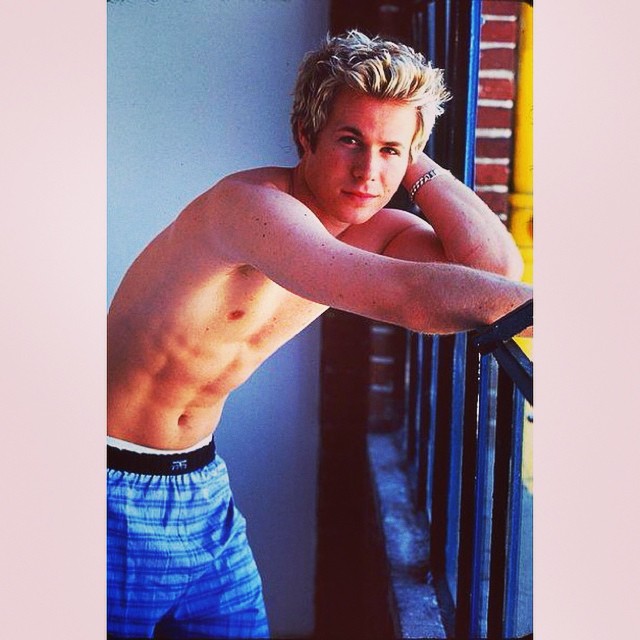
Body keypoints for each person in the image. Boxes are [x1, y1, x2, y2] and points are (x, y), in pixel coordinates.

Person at [107, 30, 532, 639]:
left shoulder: (371, 227)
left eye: (389, 151)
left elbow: (492, 272)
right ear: (305, 135)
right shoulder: (251, 207)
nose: (368, 171)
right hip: (107, 486)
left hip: (201, 483)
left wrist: (414, 154)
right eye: (349, 140)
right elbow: (408, 295)